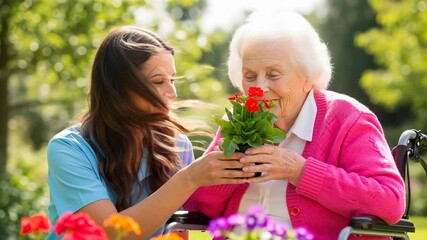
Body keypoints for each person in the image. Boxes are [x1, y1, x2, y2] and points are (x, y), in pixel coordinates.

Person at [183, 10, 406, 239]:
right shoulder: (240, 119)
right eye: (250, 76)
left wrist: (300, 172)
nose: (260, 88)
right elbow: (199, 206)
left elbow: (390, 201)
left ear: (308, 76)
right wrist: (227, 170)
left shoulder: (347, 118)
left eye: (273, 74)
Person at [46, 26, 253, 240]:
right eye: (158, 82)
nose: (172, 93)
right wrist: (189, 178)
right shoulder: (69, 149)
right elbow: (106, 235)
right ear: (118, 88)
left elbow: (175, 236)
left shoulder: (177, 145)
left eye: (172, 80)